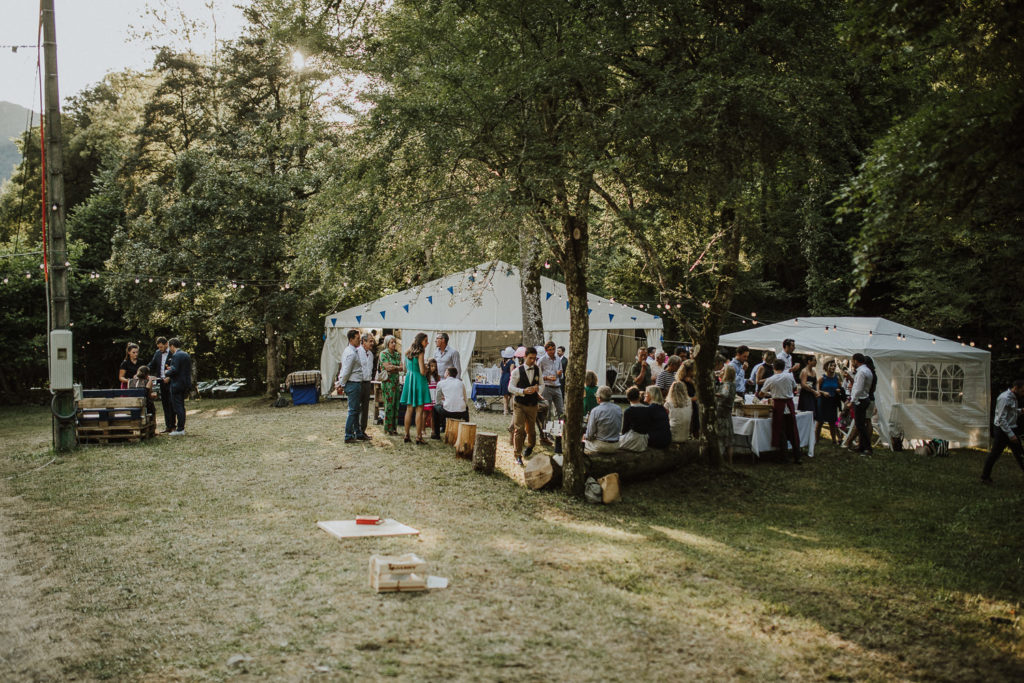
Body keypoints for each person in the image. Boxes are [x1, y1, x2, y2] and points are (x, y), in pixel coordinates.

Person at [758, 359, 801, 463]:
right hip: (789, 405)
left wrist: (770, 393)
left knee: (781, 432)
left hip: (778, 406)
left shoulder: (771, 379)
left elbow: (761, 394)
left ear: (774, 368)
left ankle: (784, 457)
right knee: (792, 432)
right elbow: (795, 388)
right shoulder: (789, 376)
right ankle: (797, 456)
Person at [981, 379, 1024, 484]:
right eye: (1023, 391)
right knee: (995, 454)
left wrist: (1020, 411)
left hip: (1010, 428)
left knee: (1020, 454)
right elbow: (1001, 419)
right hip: (1002, 431)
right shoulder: (1004, 398)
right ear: (1016, 388)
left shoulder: (1013, 398)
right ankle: (985, 477)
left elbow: (1011, 413)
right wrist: (1011, 435)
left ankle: (985, 477)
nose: (1023, 393)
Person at [508, 346, 542, 466]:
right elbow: (510, 387)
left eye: (534, 358)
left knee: (531, 430)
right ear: (525, 357)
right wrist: (523, 391)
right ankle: (517, 455)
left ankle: (530, 446)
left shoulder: (538, 370)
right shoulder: (517, 371)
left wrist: (538, 390)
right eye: (530, 358)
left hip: (533, 404)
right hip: (520, 404)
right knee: (519, 429)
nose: (533, 360)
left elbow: (542, 385)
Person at [401, 332, 432, 444]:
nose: (427, 343)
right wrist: (427, 368)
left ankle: (406, 434)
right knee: (419, 410)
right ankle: (419, 437)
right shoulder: (421, 352)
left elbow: (404, 368)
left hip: (409, 379)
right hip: (419, 380)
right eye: (425, 341)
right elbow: (422, 371)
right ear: (420, 341)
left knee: (409, 410)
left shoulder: (407, 352)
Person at [336, 329, 365, 444]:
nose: (360, 341)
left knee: (356, 410)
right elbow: (346, 370)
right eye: (358, 339)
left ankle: (357, 432)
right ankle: (348, 435)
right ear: (351, 339)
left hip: (355, 382)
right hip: (353, 383)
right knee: (353, 411)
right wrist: (341, 383)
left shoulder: (351, 351)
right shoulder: (351, 353)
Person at [163, 338, 192, 436]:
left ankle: (180, 429)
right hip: (185, 384)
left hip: (176, 385)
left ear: (172, 346)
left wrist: (166, 372)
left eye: (169, 347)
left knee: (178, 407)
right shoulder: (186, 355)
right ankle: (181, 428)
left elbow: (174, 370)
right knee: (181, 407)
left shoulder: (176, 355)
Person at [848, 352, 875, 455]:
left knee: (860, 425)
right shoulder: (867, 370)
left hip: (860, 400)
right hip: (865, 398)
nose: (852, 363)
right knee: (861, 424)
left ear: (856, 361)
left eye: (852, 361)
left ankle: (867, 448)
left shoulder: (861, 372)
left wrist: (852, 400)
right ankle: (862, 446)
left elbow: (858, 388)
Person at [431, 367, 469, 440]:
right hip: (461, 412)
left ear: (448, 373)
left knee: (435, 408)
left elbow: (437, 400)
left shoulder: (441, 383)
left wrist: (443, 402)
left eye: (445, 372)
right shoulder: (461, 383)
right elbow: (465, 399)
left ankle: (436, 433)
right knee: (466, 408)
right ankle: (466, 430)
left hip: (448, 411)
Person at [584, 386, 622, 454]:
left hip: (601, 446)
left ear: (599, 398)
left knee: (581, 442)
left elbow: (589, 435)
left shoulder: (595, 411)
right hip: (616, 444)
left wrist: (584, 436)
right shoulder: (618, 408)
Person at [149, 337, 174, 433]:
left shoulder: (172, 353)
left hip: (171, 381)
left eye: (161, 347)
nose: (160, 349)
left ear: (166, 344)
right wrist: (143, 370)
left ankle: (173, 425)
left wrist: (170, 377)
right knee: (165, 404)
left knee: (172, 404)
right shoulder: (157, 353)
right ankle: (168, 426)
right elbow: (152, 365)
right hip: (161, 381)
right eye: (159, 347)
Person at [815, 359, 844, 445]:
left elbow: (841, 389)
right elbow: (817, 390)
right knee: (820, 421)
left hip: (832, 401)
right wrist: (823, 392)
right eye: (831, 365)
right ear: (826, 367)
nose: (833, 367)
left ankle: (834, 440)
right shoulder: (822, 378)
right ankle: (816, 440)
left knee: (832, 421)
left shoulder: (837, 378)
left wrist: (839, 390)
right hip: (823, 401)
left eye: (834, 366)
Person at [378, 335, 402, 436]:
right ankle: (387, 428)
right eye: (392, 342)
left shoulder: (397, 355)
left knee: (396, 405)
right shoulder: (383, 354)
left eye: (394, 342)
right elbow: (387, 368)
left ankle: (394, 428)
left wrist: (394, 368)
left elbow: (402, 367)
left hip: (396, 382)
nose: (394, 344)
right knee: (389, 405)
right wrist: (396, 368)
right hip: (388, 382)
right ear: (387, 343)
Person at [619, 386, 651, 451]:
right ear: (639, 397)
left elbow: (624, 429)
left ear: (628, 399)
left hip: (633, 439)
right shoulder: (648, 409)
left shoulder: (628, 411)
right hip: (644, 440)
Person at [717, 358, 736, 462]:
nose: (720, 372)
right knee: (729, 439)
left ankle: (720, 461)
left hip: (722, 413)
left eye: (722, 371)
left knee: (721, 438)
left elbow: (724, 394)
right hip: (727, 413)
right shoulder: (732, 384)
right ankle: (730, 461)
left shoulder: (727, 384)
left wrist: (713, 394)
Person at [539, 341, 564, 419]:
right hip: (547, 387)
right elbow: (537, 376)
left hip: (557, 387)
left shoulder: (558, 359)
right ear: (546, 350)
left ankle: (562, 428)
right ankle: (546, 430)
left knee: (561, 410)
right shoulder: (542, 360)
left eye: (553, 349)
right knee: (548, 412)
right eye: (550, 350)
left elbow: (561, 375)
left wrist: (560, 374)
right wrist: (547, 377)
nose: (552, 351)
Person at [357, 333, 376, 439]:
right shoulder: (357, 352)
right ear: (363, 342)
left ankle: (362, 430)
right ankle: (355, 430)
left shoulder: (371, 354)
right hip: (359, 382)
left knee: (365, 408)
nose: (372, 343)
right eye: (370, 341)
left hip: (367, 382)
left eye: (372, 341)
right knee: (356, 407)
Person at [677, 359, 700, 440]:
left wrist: (693, 382)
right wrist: (692, 399)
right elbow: (680, 397)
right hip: (685, 407)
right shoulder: (681, 382)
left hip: (693, 406)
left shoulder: (692, 380)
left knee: (696, 427)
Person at [499, 346, 516, 415]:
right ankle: (512, 410)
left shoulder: (502, 362)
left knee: (505, 396)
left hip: (503, 378)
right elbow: (511, 371)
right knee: (512, 394)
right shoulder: (512, 362)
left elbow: (501, 372)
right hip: (509, 378)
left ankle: (505, 410)